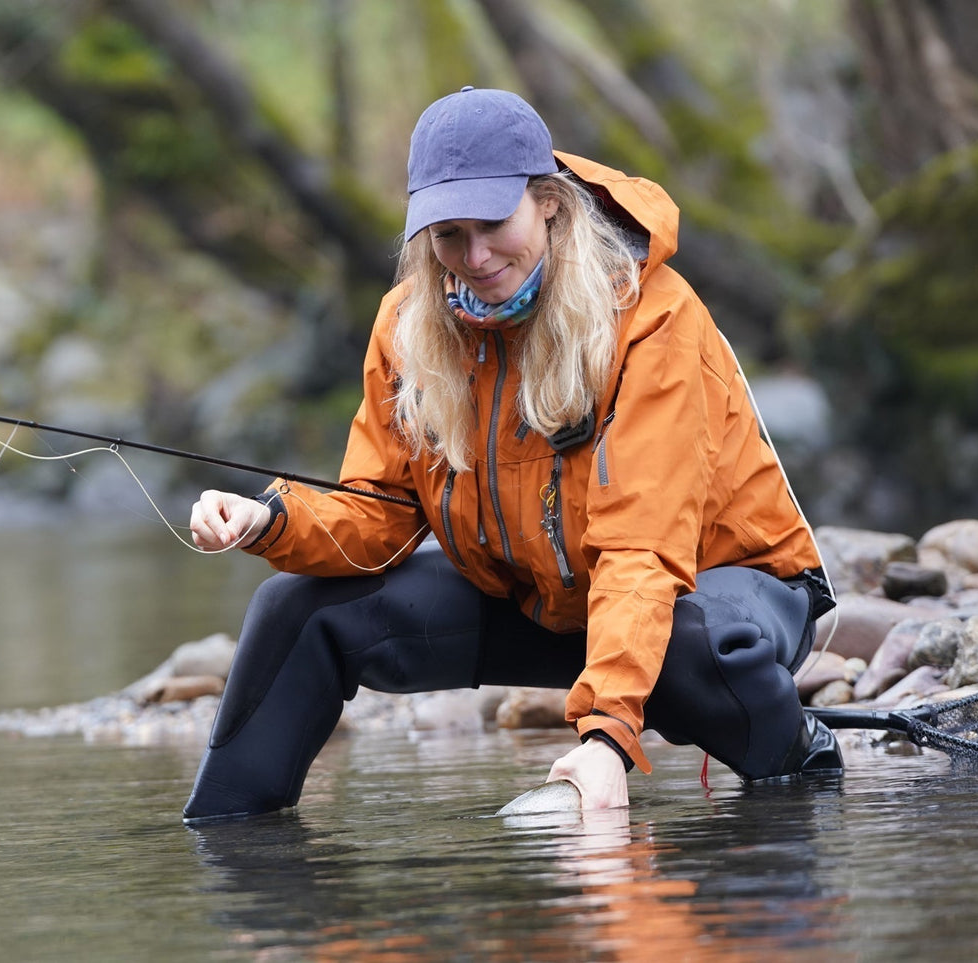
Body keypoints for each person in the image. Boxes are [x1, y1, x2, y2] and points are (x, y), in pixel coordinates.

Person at [184, 87, 839, 822]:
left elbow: (641, 548)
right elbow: (382, 514)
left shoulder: (652, 317)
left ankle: (799, 759)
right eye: (447, 235)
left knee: (693, 646)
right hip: (543, 594)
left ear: (548, 201)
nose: (474, 257)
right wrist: (267, 520)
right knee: (296, 607)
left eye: (493, 224)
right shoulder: (408, 324)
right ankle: (229, 846)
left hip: (721, 584)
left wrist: (605, 738)